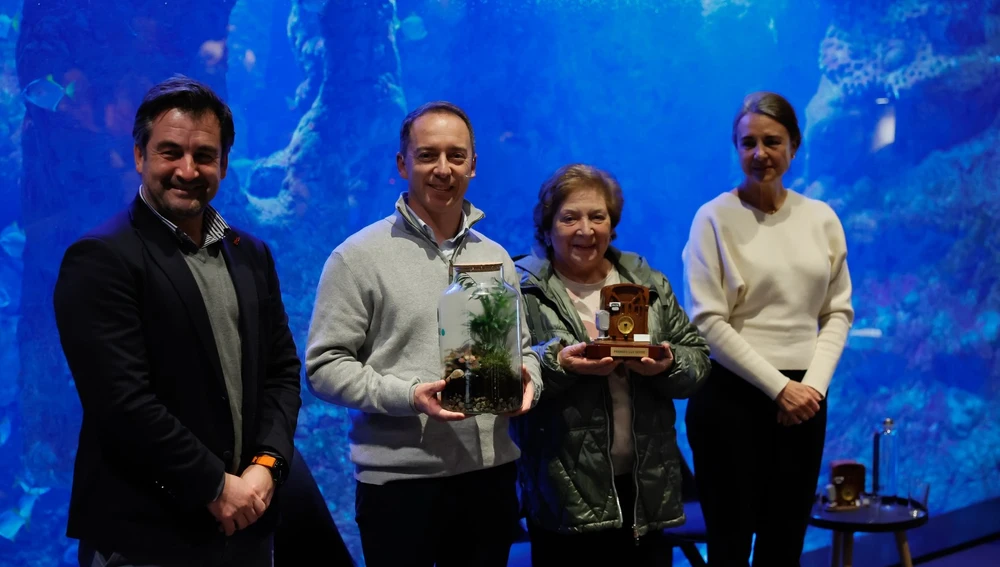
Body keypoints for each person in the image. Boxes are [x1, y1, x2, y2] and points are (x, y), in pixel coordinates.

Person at [53, 75, 302, 567]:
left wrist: (266, 469)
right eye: (170, 152)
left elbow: (282, 372)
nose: (188, 170)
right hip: (147, 535)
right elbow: (122, 403)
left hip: (247, 524)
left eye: (204, 155)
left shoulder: (250, 254)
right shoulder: (100, 258)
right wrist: (214, 486)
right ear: (139, 156)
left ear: (225, 165)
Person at [304, 100, 543, 567]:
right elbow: (324, 368)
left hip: (490, 478)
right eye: (427, 154)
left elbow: (526, 350)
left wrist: (529, 377)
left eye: (456, 155)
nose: (443, 169)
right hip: (398, 484)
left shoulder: (496, 257)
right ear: (402, 164)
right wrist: (410, 395)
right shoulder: (357, 257)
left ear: (473, 164)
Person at [682, 91, 854, 566]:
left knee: (785, 544)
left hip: (805, 403)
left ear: (794, 145)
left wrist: (810, 390)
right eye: (748, 143)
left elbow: (838, 312)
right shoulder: (712, 219)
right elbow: (707, 320)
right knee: (731, 546)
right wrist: (781, 389)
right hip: (730, 400)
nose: (760, 154)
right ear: (736, 149)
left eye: (772, 141)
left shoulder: (822, 219)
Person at [509, 163, 711, 566]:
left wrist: (666, 366)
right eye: (570, 217)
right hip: (563, 497)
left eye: (597, 216)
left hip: (645, 492)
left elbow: (698, 358)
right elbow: (506, 380)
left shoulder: (647, 281)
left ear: (612, 224)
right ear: (547, 228)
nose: (586, 229)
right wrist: (561, 365)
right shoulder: (520, 288)